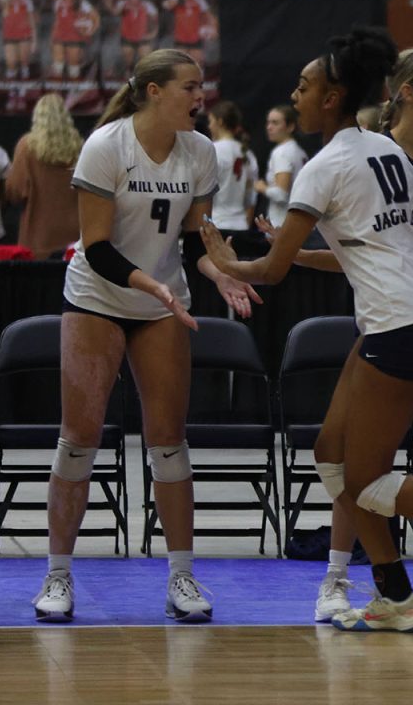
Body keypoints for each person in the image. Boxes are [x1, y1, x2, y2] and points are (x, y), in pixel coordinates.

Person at [199, 26, 413, 633]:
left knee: (365, 476)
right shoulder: (383, 152)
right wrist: (273, 257)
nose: (295, 95)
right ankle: (397, 596)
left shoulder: (324, 167)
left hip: (404, 321)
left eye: (304, 87)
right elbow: (370, 251)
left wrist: (227, 263)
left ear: (332, 98)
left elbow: (273, 270)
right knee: (331, 457)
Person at [31, 49, 263, 623]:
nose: (199, 96)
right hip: (98, 296)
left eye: (201, 86)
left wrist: (223, 273)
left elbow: (191, 245)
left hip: (162, 303)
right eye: (189, 87)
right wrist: (151, 287)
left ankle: (182, 577)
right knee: (79, 438)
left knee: (168, 439)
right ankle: (57, 577)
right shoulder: (107, 145)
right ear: (154, 92)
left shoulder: (201, 151)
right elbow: (98, 248)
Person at [4, 94, 83, 259]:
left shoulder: (27, 147)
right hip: (75, 237)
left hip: (38, 238)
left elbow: (15, 192)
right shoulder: (80, 147)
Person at [207, 100, 258, 235]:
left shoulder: (212, 150)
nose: (209, 126)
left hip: (217, 225)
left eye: (211, 121)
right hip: (241, 226)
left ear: (220, 122)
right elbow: (251, 198)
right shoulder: (248, 153)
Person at [258, 104, 305, 228]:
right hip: (297, 222)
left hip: (281, 224)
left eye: (275, 123)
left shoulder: (282, 152)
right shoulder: (299, 151)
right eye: (268, 122)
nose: (269, 127)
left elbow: (281, 195)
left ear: (290, 127)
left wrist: (262, 187)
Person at [50, 0, 98, 81]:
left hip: (74, 37)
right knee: (57, 66)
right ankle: (56, 92)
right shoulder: (59, 1)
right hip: (59, 36)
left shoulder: (82, 3)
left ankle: (73, 92)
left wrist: (90, 32)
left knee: (73, 67)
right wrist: (52, 37)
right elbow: (56, 21)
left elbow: (96, 18)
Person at [163, 0, 214, 67]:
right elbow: (165, 5)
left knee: (197, 64)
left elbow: (209, 17)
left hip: (196, 38)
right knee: (180, 65)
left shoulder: (199, 1)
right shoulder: (177, 0)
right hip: (180, 38)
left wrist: (212, 29)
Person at [112, 0, 159, 77]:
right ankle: (128, 74)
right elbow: (116, 14)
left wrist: (153, 33)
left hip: (143, 37)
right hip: (127, 37)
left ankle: (145, 77)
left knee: (145, 59)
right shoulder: (122, 3)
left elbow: (155, 20)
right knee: (128, 60)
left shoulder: (147, 4)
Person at [1, 0, 36, 80]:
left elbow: (31, 22)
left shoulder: (27, 0)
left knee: (24, 63)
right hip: (9, 36)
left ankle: (23, 89)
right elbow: (5, 14)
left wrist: (34, 41)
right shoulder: (4, 0)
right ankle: (12, 89)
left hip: (24, 35)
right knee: (11, 63)